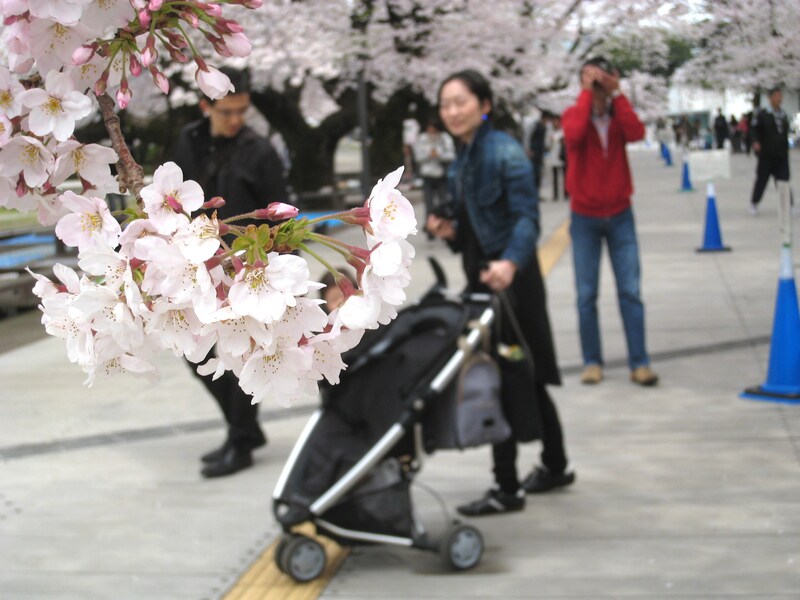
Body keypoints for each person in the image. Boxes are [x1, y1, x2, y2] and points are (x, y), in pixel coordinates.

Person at [427, 69, 574, 516]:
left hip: (513, 280)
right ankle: (554, 465)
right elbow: (471, 231)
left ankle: (507, 487)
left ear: (485, 104)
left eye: (461, 101)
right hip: (484, 278)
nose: (452, 111)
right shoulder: (461, 161)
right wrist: (450, 231)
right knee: (519, 372)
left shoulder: (505, 152)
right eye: (446, 104)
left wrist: (509, 262)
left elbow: (527, 218)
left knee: (504, 375)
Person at [173, 67, 290, 478]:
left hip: (247, 270)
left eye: (243, 111)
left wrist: (268, 267)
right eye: (226, 112)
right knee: (197, 355)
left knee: (236, 354)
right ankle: (246, 432)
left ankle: (240, 441)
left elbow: (282, 218)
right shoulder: (188, 140)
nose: (236, 119)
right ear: (205, 106)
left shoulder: (261, 150)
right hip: (198, 263)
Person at [561, 57, 658, 387]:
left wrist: (618, 95)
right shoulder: (574, 114)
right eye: (593, 79)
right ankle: (592, 361)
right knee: (586, 294)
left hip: (620, 213)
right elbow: (574, 135)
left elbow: (637, 133)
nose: (599, 85)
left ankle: (639, 362)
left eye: (604, 78)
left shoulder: (618, 117)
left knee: (630, 290)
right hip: (584, 216)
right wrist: (586, 93)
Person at [749, 87, 791, 216]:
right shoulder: (762, 114)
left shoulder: (783, 114)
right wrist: (756, 142)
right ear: (770, 98)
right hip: (766, 154)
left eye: (780, 96)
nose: (779, 98)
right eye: (777, 96)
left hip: (781, 154)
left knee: (784, 180)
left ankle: (788, 205)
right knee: (762, 180)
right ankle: (754, 203)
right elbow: (754, 130)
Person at [413, 119, 455, 232]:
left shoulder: (445, 138)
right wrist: (429, 155)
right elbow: (417, 157)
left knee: (443, 202)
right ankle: (429, 228)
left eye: (434, 131)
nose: (432, 134)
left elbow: (451, 155)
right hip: (427, 176)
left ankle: (443, 227)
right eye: (429, 131)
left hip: (441, 175)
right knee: (429, 203)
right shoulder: (422, 139)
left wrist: (439, 155)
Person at [527, 112, 549, 191]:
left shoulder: (544, 127)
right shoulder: (536, 126)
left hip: (540, 151)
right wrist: (530, 149)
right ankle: (534, 188)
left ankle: (537, 189)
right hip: (535, 151)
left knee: (539, 171)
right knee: (535, 170)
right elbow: (531, 137)